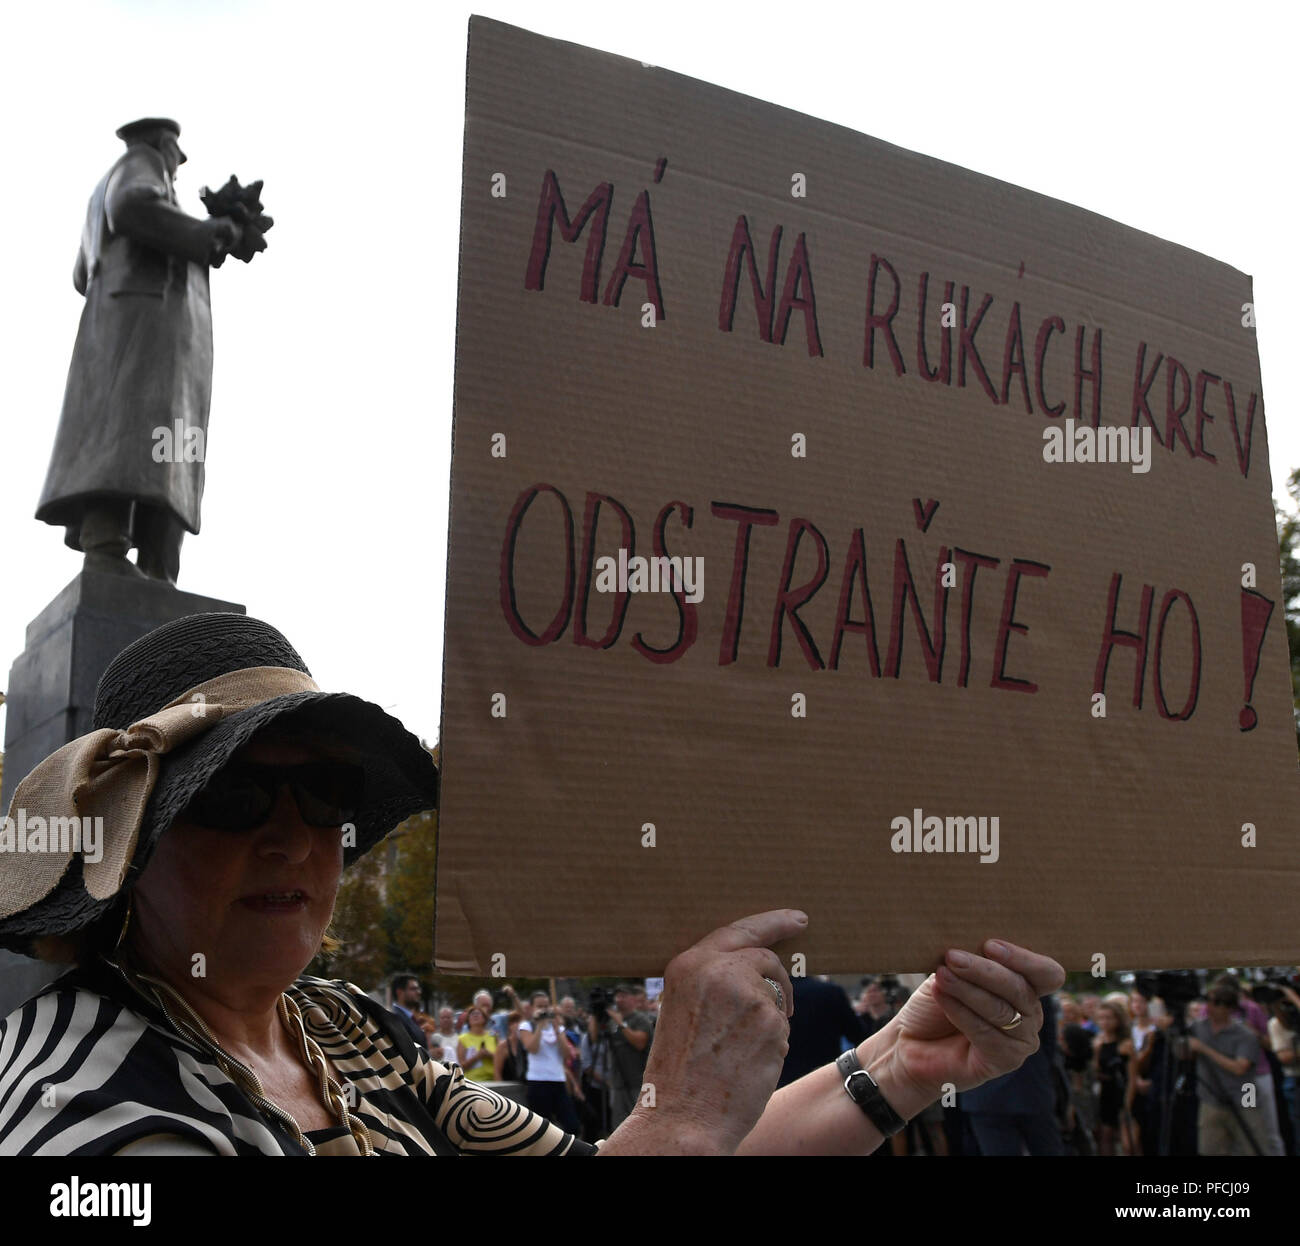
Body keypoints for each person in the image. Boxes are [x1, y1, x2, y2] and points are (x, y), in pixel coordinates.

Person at [0, 613, 1064, 1156]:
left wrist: (903, 1059)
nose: (291, 839)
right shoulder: (89, 1104)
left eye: (322, 795)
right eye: (233, 798)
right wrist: (682, 1125)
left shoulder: (346, 1032)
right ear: (131, 852)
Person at [36, 119, 247, 584]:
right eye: (176, 151)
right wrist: (205, 231)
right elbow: (132, 206)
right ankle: (115, 552)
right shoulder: (138, 165)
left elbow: (81, 275)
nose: (180, 162)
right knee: (143, 442)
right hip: (149, 342)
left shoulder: (102, 193)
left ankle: (155, 568)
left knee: (163, 447)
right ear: (162, 145)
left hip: (145, 342)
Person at [1187, 983, 1269, 1156]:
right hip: (1211, 1098)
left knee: (1253, 1146)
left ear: (1229, 1008)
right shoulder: (1198, 1028)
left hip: (1246, 1096)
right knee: (1210, 1149)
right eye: (1208, 1001)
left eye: (1216, 1003)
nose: (1210, 1007)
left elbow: (1240, 1068)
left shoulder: (1244, 1034)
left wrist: (1203, 1049)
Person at [1092, 997, 1133, 1156]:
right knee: (1105, 1136)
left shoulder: (1125, 1044)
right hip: (1105, 1093)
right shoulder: (1098, 1042)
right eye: (1101, 1018)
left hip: (1122, 1093)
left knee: (1128, 1141)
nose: (1105, 1022)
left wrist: (1127, 1105)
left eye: (1109, 1018)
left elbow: (1131, 1077)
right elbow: (1095, 1071)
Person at [390, 974, 430, 1051]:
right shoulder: (395, 1018)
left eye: (418, 988)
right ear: (399, 992)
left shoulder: (411, 1018)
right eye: (413, 989)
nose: (419, 992)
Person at [456, 1008, 498, 1082]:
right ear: (468, 1020)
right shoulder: (462, 1039)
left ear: (484, 1019)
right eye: (472, 1014)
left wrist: (489, 1055)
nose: (475, 1015)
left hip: (492, 1080)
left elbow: (501, 1059)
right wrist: (477, 1057)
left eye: (478, 1013)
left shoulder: (493, 1036)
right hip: (473, 1083)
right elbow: (461, 1067)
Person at [493, 1010, 529, 1082]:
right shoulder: (503, 1046)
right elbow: (497, 1073)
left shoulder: (527, 1044)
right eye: (516, 1022)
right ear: (510, 1026)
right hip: (508, 1087)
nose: (519, 1025)